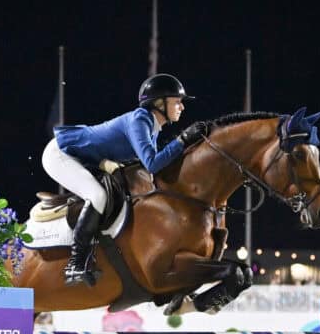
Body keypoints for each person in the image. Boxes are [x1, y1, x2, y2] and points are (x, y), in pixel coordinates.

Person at [42, 73, 209, 286]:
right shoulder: (140, 119)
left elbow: (153, 169)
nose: (182, 107)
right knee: (98, 196)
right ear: (159, 103)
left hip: (86, 159)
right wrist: (182, 140)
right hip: (60, 153)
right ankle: (76, 263)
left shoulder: (152, 127)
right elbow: (153, 163)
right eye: (177, 102)